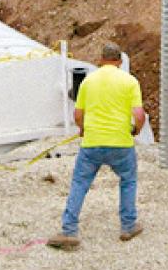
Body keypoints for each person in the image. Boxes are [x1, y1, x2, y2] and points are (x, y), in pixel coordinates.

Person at [48, 41, 147, 250]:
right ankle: (128, 225)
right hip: (121, 143)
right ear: (119, 61)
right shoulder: (130, 82)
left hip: (92, 142)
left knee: (80, 183)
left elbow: (78, 114)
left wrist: (83, 129)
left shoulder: (88, 82)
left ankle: (69, 230)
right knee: (128, 180)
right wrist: (135, 130)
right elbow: (139, 115)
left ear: (100, 60)